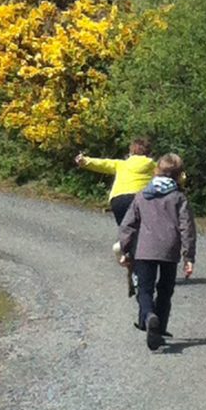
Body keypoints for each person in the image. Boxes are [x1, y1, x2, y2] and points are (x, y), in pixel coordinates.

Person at [118, 153, 196, 351]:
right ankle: (159, 328)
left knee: (144, 289)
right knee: (165, 290)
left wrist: (125, 249)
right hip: (169, 250)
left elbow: (128, 225)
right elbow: (187, 227)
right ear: (179, 176)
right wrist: (189, 256)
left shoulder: (142, 195)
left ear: (156, 171)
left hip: (144, 250)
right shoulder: (179, 197)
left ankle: (148, 316)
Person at [75, 139, 156, 296]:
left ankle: (122, 250)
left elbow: (103, 164)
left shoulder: (122, 164)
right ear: (149, 152)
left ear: (131, 152)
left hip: (119, 200)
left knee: (127, 231)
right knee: (145, 233)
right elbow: (172, 172)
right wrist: (183, 178)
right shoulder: (153, 165)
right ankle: (141, 267)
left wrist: (84, 161)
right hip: (142, 200)